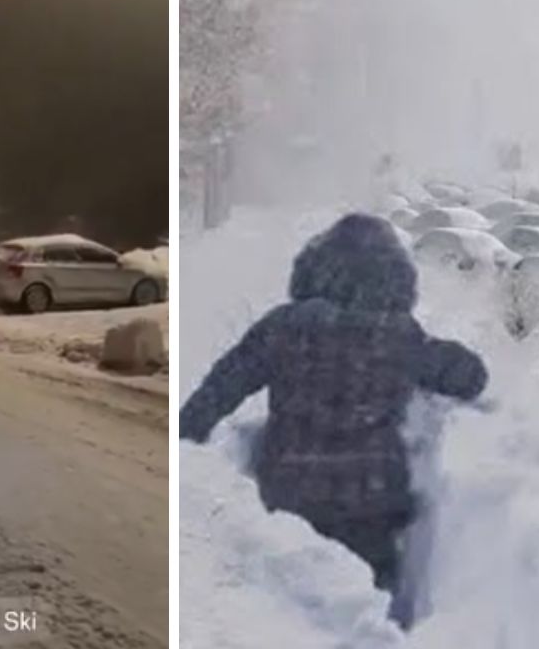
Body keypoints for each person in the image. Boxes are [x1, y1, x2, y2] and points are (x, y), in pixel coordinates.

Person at [180, 214, 487, 624]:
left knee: (291, 617)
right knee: (369, 613)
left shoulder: (284, 327)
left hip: (289, 497)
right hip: (373, 505)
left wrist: (186, 435)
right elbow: (468, 377)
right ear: (395, 278)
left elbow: (223, 385)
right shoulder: (400, 336)